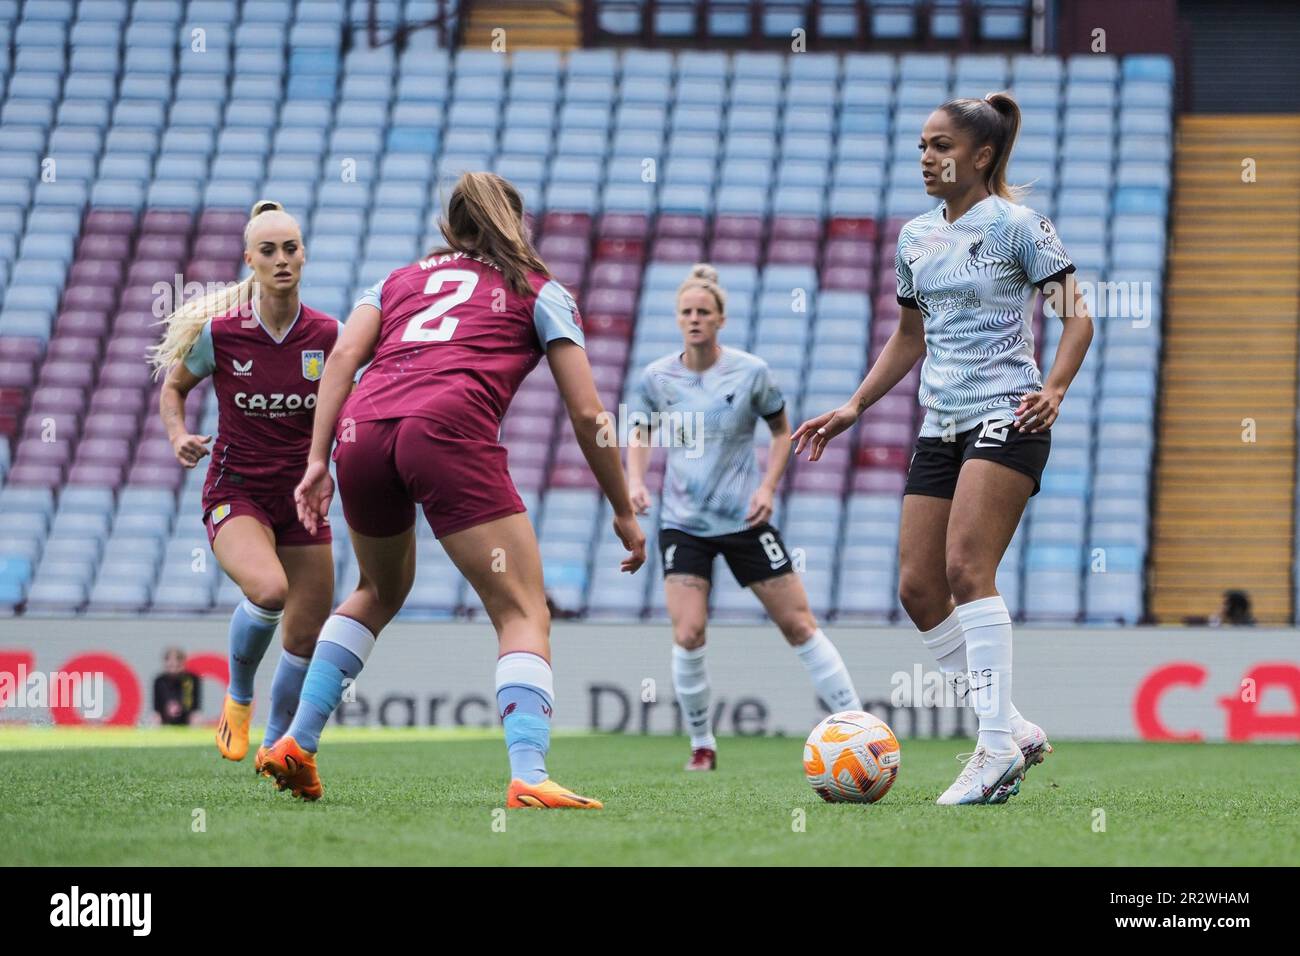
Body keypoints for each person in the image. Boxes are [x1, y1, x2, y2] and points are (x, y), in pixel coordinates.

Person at [270, 172, 646, 807]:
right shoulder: (540, 289)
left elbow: (339, 361)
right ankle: (529, 773)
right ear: (515, 225)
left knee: (376, 590)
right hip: (445, 429)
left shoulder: (394, 280)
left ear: (452, 225)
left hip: (362, 430)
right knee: (523, 609)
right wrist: (621, 507)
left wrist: (316, 460)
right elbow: (588, 415)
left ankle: (296, 743)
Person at [794, 93, 1094, 805]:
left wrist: (1054, 388)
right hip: (941, 423)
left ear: (981, 155)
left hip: (1009, 415)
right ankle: (1012, 726)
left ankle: (992, 749)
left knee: (966, 568)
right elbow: (909, 336)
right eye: (922, 145)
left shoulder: (1020, 227)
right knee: (919, 587)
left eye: (941, 146)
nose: (926, 157)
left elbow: (1077, 318)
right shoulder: (914, 238)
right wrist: (853, 406)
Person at [627, 263, 862, 772]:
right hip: (684, 523)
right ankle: (702, 744)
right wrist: (634, 481)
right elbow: (639, 432)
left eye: (703, 313)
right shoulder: (657, 378)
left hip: (745, 520)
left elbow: (782, 431)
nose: (694, 319)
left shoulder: (751, 372)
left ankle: (859, 727)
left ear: (721, 319)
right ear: (677, 318)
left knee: (799, 624)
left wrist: (768, 487)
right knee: (688, 632)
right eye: (686, 312)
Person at [152, 200, 339, 773]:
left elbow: (347, 408)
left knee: (306, 638)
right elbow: (173, 388)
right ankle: (237, 697)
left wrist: (333, 461)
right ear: (249, 261)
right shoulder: (222, 335)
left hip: (301, 502)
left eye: (291, 248)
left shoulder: (328, 335)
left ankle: (276, 746)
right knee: (268, 591)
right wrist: (179, 435)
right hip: (237, 493)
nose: (282, 259)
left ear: (304, 254)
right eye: (269, 250)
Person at [152, 647, 202, 726]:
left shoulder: (191, 679)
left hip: (186, 716)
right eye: (171, 665)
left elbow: (194, 705)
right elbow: (156, 707)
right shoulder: (159, 681)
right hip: (164, 717)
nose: (174, 669)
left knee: (196, 718)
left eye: (177, 665)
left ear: (182, 664)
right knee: (154, 719)